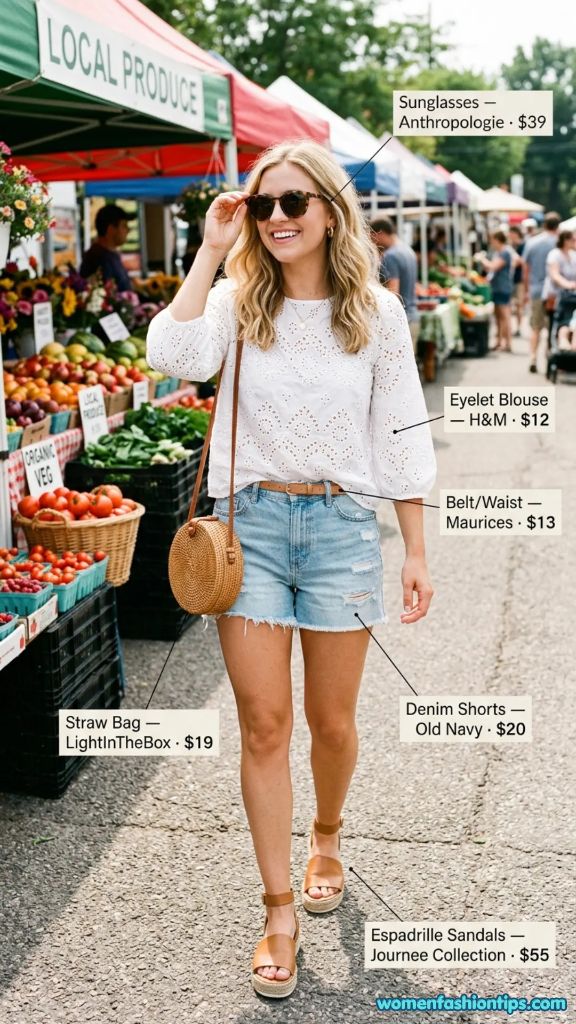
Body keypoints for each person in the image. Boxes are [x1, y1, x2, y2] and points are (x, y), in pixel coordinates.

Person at [146, 140, 436, 999]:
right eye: (264, 204)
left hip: (346, 527)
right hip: (252, 528)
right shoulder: (237, 303)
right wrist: (207, 248)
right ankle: (277, 911)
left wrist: (416, 546)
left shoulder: (376, 314)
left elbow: (401, 430)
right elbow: (174, 356)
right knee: (265, 724)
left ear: (330, 213)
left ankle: (329, 834)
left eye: (294, 204)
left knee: (332, 724)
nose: (276, 218)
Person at [371, 217, 420, 351]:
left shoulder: (391, 256)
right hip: (413, 314)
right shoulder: (408, 250)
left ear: (379, 233)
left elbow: (394, 293)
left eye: (372, 237)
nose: (372, 242)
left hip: (400, 321)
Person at [523, 212, 560, 373]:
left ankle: (532, 357)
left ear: (544, 225)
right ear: (557, 226)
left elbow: (526, 269)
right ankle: (550, 359)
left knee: (536, 327)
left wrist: (526, 290)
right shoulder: (560, 244)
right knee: (554, 327)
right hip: (556, 292)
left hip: (536, 290)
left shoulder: (532, 242)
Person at [79, 203, 135, 290]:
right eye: (124, 225)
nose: (128, 230)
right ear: (111, 229)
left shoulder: (110, 255)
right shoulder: (99, 259)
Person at [477, 230, 514, 351]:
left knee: (505, 316)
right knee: (498, 316)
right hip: (496, 287)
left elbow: (493, 267)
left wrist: (481, 259)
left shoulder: (505, 253)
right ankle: (499, 341)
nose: (491, 243)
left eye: (492, 240)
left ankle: (508, 342)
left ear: (497, 239)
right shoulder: (498, 253)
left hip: (503, 288)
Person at [544, 230, 576, 350]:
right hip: (557, 296)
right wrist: (568, 284)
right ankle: (554, 350)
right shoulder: (555, 254)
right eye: (573, 239)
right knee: (559, 324)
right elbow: (555, 275)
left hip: (572, 297)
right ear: (565, 240)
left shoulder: (573, 255)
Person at [509, 225, 526, 336]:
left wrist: (515, 259)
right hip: (510, 279)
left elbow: (524, 261)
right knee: (511, 304)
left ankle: (519, 327)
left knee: (519, 304)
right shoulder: (510, 246)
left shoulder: (523, 246)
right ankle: (512, 327)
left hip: (519, 279)